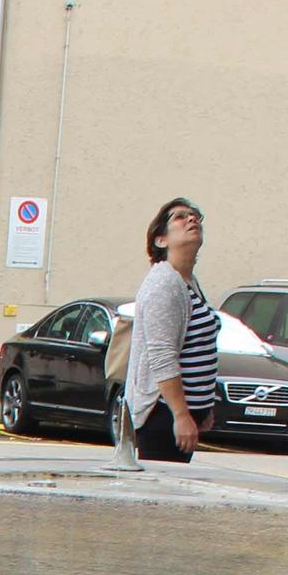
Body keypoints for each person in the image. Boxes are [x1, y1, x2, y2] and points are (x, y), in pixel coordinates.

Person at [124, 197, 219, 463]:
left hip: (185, 414)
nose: (192, 220)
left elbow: (197, 347)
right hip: (162, 415)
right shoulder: (163, 284)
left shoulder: (186, 281)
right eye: (180, 217)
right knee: (160, 500)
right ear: (161, 240)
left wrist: (204, 407)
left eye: (195, 216)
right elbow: (162, 355)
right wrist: (180, 414)